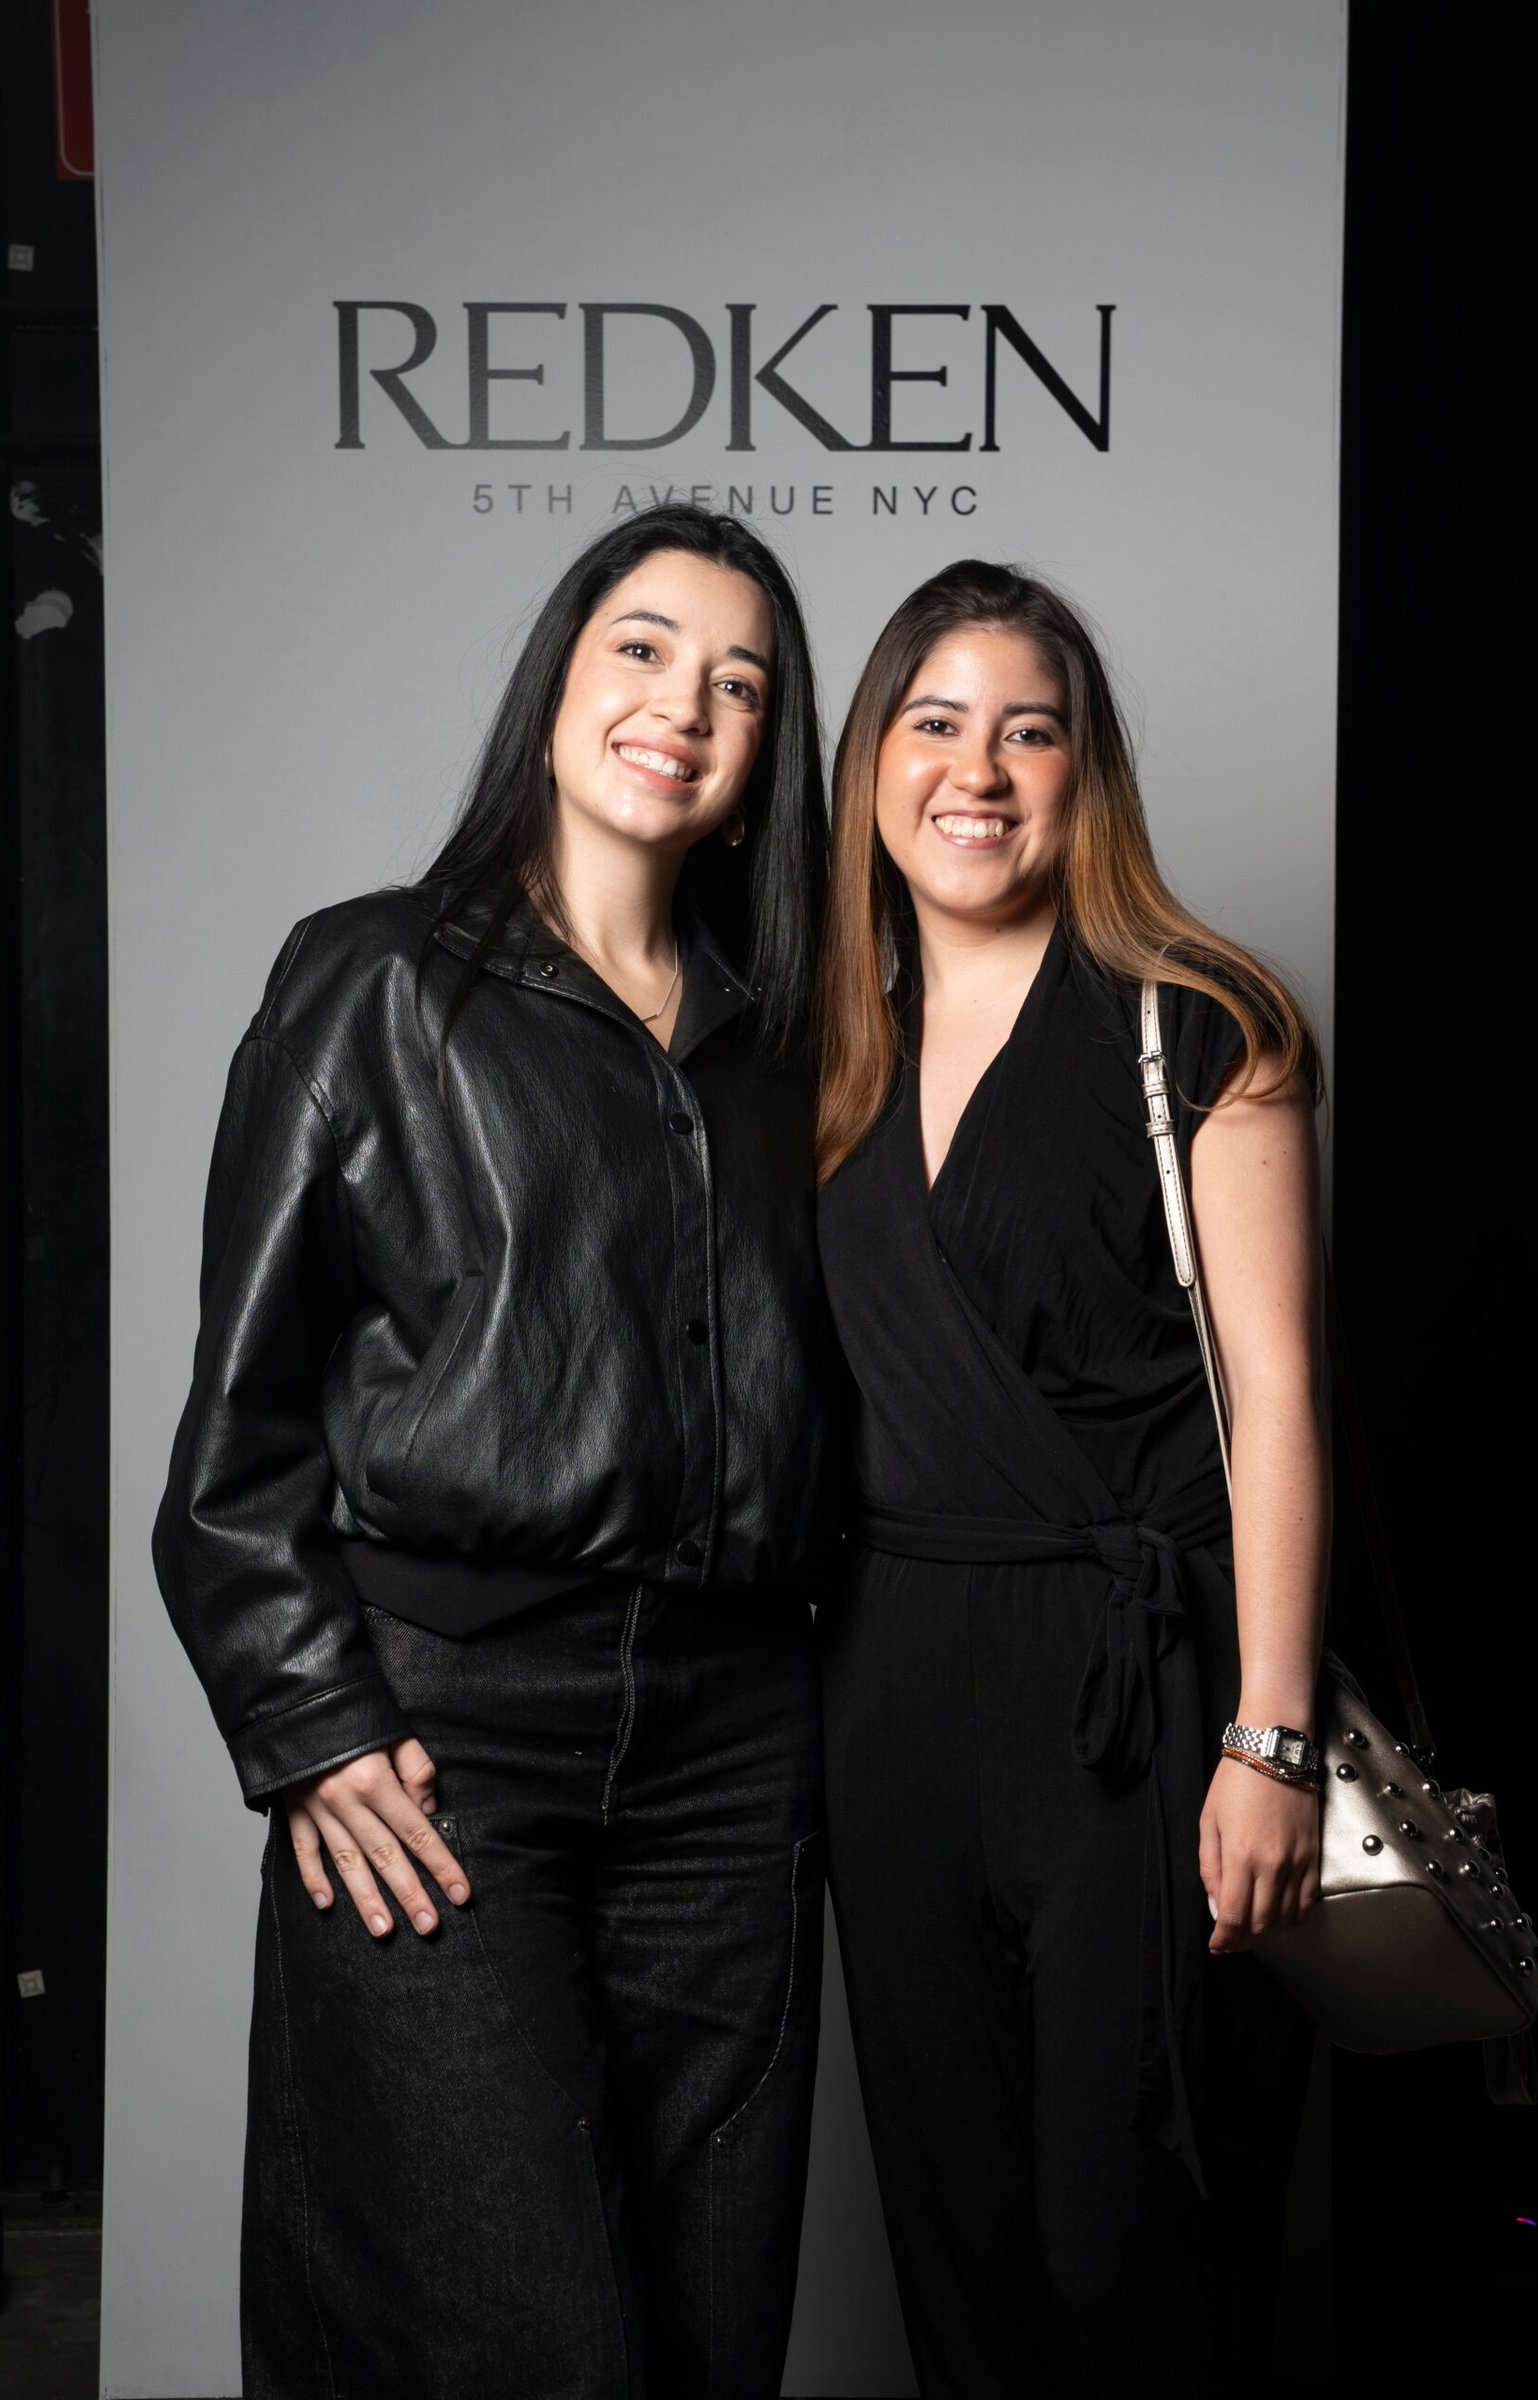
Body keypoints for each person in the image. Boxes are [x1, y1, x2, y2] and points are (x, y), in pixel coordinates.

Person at [153, 504, 831, 2400]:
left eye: (740, 683)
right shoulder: (370, 982)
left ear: (767, 755)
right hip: (449, 1733)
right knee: (512, 2337)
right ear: (556, 685)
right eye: (642, 649)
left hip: (736, 1753)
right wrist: (310, 1720)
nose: (682, 705)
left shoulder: (795, 1042)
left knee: (705, 2332)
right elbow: (237, 1426)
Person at [814, 561, 1324, 2396]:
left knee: (1124, 2250)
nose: (978, 769)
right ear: (872, 761)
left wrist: (1271, 1738)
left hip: (1140, 1697)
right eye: (935, 723)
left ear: (1082, 772)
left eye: (1028, 730)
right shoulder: (824, 1054)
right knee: (955, 2247)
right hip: (887, 1697)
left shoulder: (1199, 1021)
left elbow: (1278, 1396)